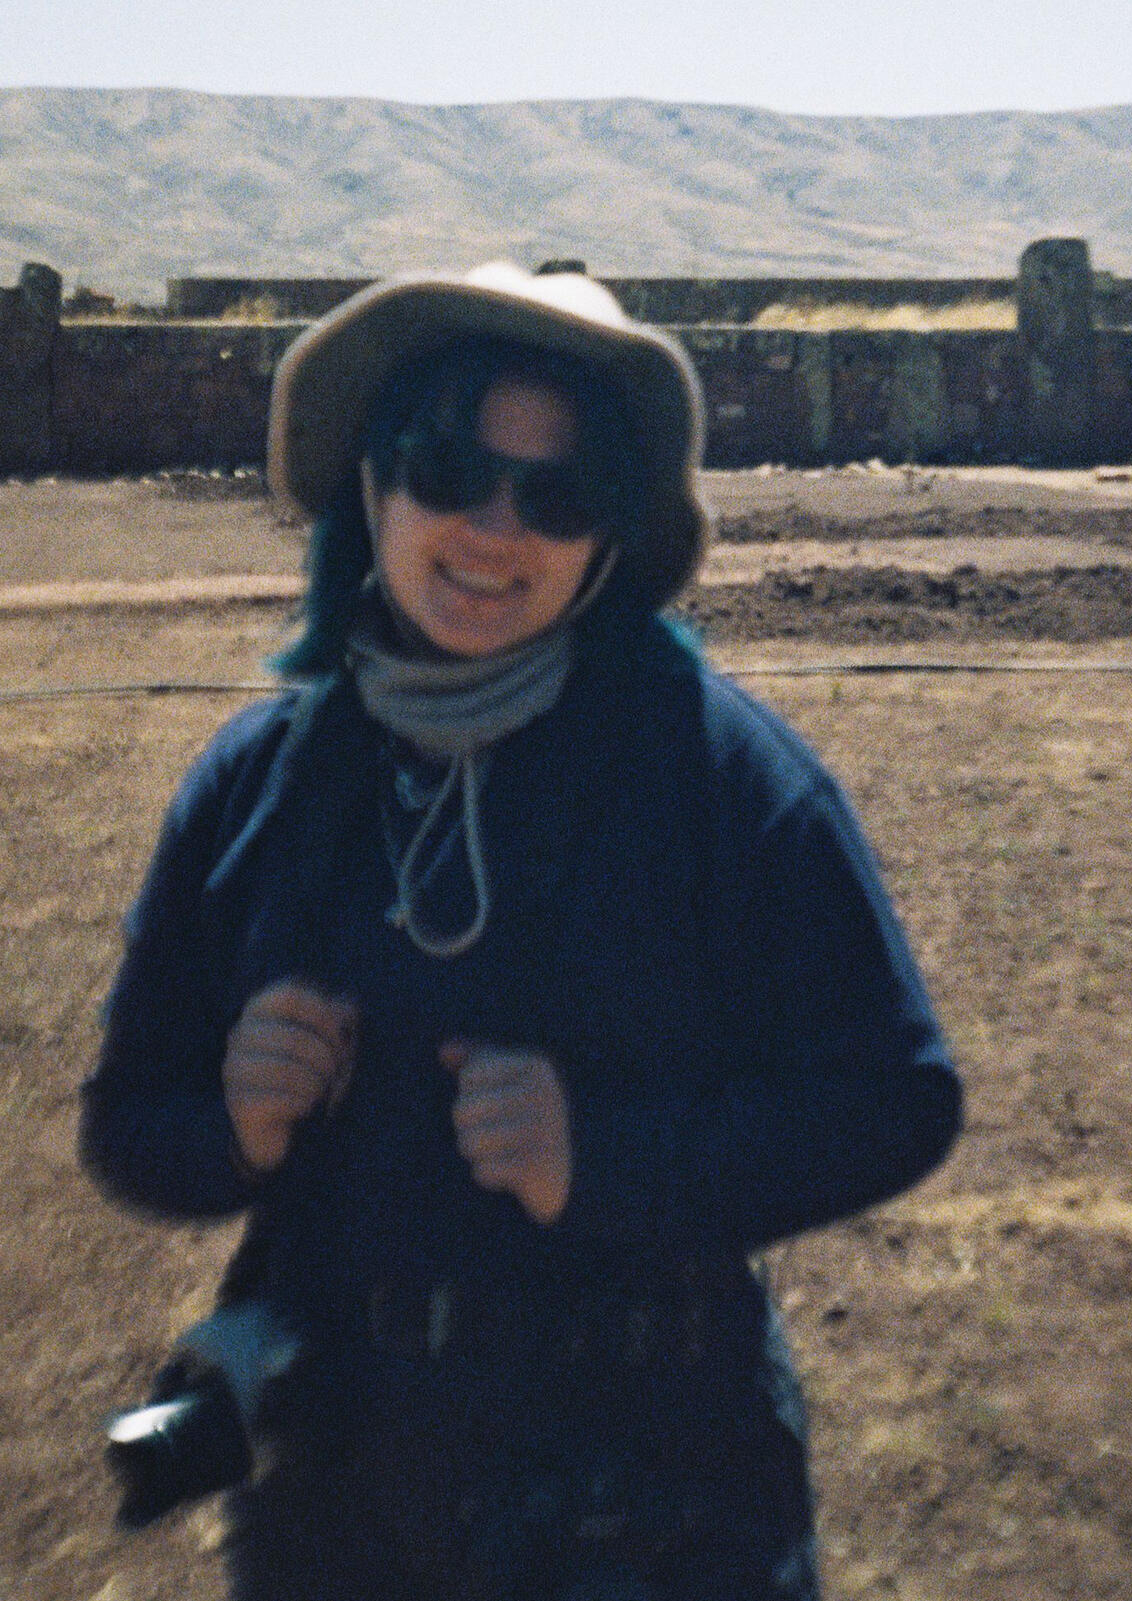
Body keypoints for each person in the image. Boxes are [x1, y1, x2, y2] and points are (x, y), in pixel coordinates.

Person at [79, 262, 962, 1601]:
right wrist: (230, 1125)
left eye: (557, 493)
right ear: (375, 484)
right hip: (340, 1495)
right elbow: (127, 1121)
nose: (494, 532)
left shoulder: (720, 776)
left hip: (659, 1494)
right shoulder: (259, 784)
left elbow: (897, 1099)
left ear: (610, 537)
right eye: (447, 468)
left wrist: (606, 1157)